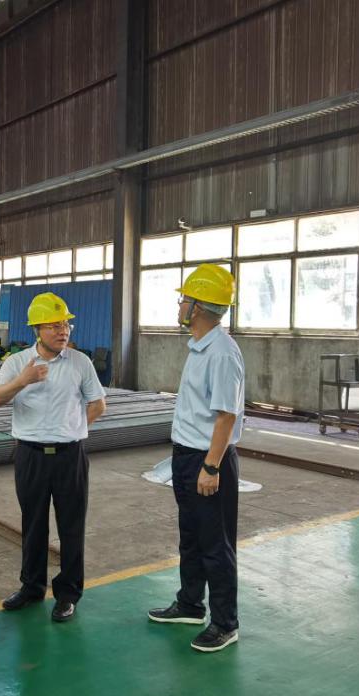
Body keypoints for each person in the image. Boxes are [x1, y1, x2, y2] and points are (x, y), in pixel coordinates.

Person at [0, 293, 106, 622]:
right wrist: (22, 381)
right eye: (54, 325)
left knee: (71, 526)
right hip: (31, 456)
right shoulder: (17, 363)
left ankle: (68, 594)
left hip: (70, 456)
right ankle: (31, 587)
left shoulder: (80, 363)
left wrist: (73, 428)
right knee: (33, 524)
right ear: (37, 330)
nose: (63, 330)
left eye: (66, 324)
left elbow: (98, 404)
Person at [147, 263, 244, 653]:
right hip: (187, 457)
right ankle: (190, 604)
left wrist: (210, 466)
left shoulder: (221, 353)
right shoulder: (200, 346)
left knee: (215, 545)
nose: (180, 305)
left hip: (208, 461)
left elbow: (226, 415)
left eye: (184, 299)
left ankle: (225, 623)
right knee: (191, 537)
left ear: (198, 307)